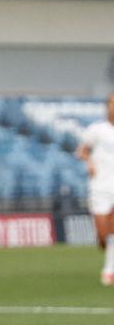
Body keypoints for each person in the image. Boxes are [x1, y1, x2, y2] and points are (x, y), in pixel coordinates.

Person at [76, 93, 114, 285]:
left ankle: (109, 270)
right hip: (100, 187)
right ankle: (107, 258)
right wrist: (89, 162)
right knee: (102, 236)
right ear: (107, 107)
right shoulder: (97, 130)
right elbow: (81, 150)